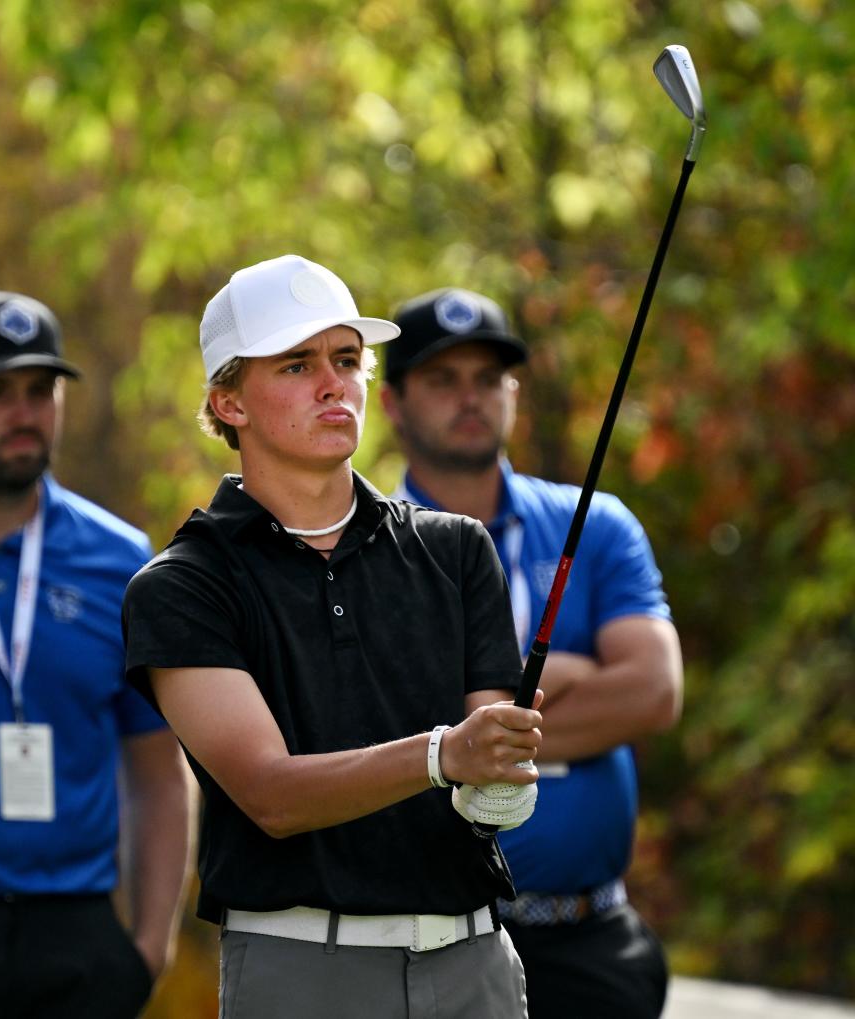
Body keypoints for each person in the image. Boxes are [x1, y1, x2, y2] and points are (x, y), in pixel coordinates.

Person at [122, 254, 544, 1019]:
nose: (332, 384)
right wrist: (444, 753)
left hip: (475, 961)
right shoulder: (182, 586)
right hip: (301, 972)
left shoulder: (456, 549)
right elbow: (270, 795)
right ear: (229, 401)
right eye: (296, 363)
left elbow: (492, 787)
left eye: (347, 359)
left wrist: (503, 776)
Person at [381, 287, 685, 1019]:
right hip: (425, 943)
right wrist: (571, 676)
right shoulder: (361, 549)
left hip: (588, 940)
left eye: (489, 378)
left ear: (513, 393)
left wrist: (468, 732)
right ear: (390, 403)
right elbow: (368, 723)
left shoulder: (599, 524)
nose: (471, 396)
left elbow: (653, 691)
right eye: (442, 378)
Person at [0, 291, 191, 1019]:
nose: (23, 413)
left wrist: (152, 945)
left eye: (41, 391)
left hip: (77, 939)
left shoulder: (118, 558)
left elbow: (159, 772)